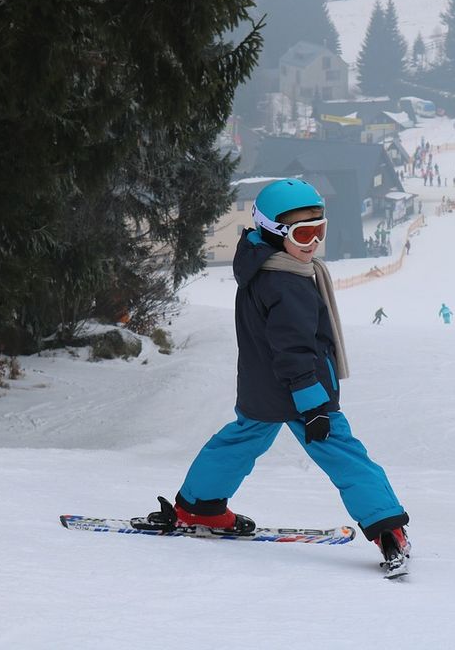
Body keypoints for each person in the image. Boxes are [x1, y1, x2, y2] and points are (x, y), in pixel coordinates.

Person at [136, 179, 409, 567]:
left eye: (320, 229)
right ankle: (386, 525)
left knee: (239, 441)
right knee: (344, 455)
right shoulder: (287, 282)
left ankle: (200, 506)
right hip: (302, 390)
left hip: (261, 386)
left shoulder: (259, 264)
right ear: (274, 231)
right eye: (303, 233)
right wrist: (313, 404)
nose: (313, 242)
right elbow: (295, 349)